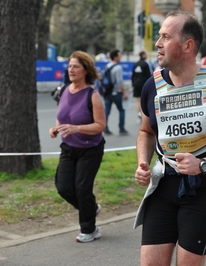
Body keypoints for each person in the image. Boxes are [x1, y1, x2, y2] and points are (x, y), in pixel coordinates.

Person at [134, 10, 206, 266]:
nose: (158, 43)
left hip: (205, 188)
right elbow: (145, 131)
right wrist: (142, 161)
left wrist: (202, 165)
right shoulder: (152, 85)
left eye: (165, 37)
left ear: (188, 46)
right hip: (163, 183)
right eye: (159, 36)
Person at [48, 51, 106, 243]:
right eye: (69, 66)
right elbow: (62, 114)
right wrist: (56, 128)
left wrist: (77, 128)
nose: (70, 70)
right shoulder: (64, 90)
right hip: (69, 147)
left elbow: (100, 125)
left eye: (75, 66)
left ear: (85, 70)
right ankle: (91, 207)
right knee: (63, 187)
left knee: (82, 188)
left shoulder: (92, 95)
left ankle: (89, 230)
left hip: (91, 148)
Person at [103, 49, 128, 135]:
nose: (120, 57)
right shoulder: (118, 67)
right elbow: (119, 82)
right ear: (115, 57)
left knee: (107, 111)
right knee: (121, 110)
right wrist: (124, 93)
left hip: (107, 92)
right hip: (116, 92)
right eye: (119, 55)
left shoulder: (107, 66)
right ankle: (121, 128)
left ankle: (105, 128)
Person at [132, 51, 152, 123]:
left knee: (138, 100)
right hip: (144, 84)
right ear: (143, 55)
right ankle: (144, 116)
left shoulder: (135, 64)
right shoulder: (145, 64)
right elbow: (149, 76)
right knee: (145, 100)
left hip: (136, 84)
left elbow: (133, 75)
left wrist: (133, 84)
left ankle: (138, 114)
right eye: (146, 54)